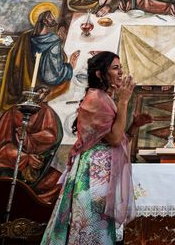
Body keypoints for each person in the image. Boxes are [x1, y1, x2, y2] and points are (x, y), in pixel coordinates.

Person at [41, 52, 152, 244]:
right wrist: (124, 101)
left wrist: (133, 126)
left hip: (103, 172)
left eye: (121, 68)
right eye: (115, 68)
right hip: (93, 174)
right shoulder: (96, 98)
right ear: (100, 74)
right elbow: (116, 140)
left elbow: (114, 140)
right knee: (90, 228)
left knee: (99, 230)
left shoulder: (104, 98)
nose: (121, 73)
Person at [0, 86, 63, 203]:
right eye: (40, 91)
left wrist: (31, 142)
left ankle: (34, 214)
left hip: (37, 167)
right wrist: (26, 158)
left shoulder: (47, 112)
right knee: (5, 181)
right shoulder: (12, 113)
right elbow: (1, 148)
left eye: (45, 93)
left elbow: (51, 137)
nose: (42, 96)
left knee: (59, 180)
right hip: (8, 164)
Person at [0, 3, 79, 117]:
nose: (53, 18)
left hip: (24, 85)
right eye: (50, 16)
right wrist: (70, 67)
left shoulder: (25, 37)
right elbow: (51, 77)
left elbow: (16, 63)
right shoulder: (53, 41)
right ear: (43, 20)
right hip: (43, 89)